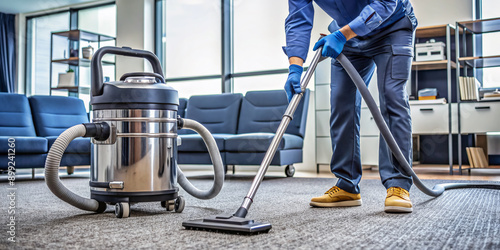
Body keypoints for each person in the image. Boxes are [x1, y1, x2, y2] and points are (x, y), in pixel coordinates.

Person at [283, 0, 418, 213]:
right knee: (341, 103)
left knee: (392, 96)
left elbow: (385, 3)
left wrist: (342, 35)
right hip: (348, 36)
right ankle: (347, 185)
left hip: (392, 27)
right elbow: (298, 19)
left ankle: (398, 184)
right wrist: (295, 67)